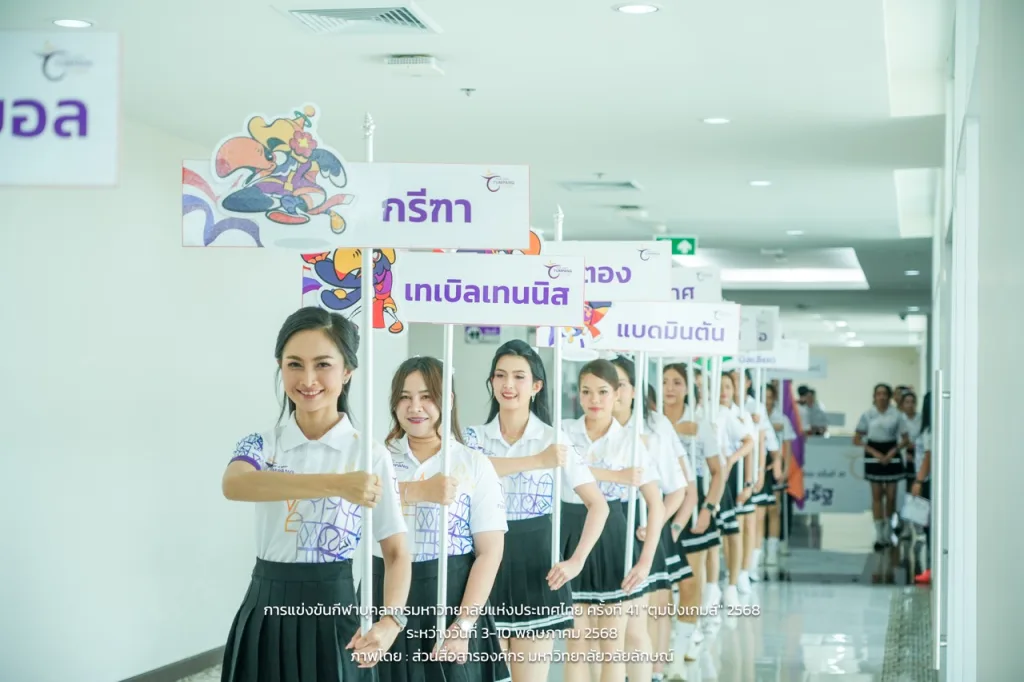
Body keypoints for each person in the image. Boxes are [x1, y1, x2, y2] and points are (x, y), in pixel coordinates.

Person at [220, 307, 412, 682]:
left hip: (335, 611)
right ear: (280, 367)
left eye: (323, 364)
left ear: (347, 371)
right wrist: (337, 484)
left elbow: (396, 551)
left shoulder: (370, 455)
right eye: (294, 364)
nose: (308, 379)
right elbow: (235, 484)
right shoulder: (261, 444)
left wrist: (391, 620)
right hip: (266, 608)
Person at [463, 340, 608, 682]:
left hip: (536, 565)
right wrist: (537, 461)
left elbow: (598, 506)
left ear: (536, 386)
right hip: (481, 563)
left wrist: (576, 561)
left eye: (519, 376)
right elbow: (473, 471)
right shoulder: (472, 438)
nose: (508, 384)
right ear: (491, 382)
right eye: (500, 375)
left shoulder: (554, 439)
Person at [371, 356, 510, 682]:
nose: (414, 407)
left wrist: (463, 625)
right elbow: (356, 504)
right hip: (386, 589)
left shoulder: (473, 463)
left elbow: (490, 552)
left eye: (426, 396)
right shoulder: (376, 458)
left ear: (447, 400)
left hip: (452, 593)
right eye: (404, 397)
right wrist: (416, 491)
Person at [561, 359, 664, 682]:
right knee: (576, 642)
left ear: (618, 394)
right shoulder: (563, 431)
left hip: (612, 535)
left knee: (611, 643)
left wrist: (645, 561)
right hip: (569, 531)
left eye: (603, 392)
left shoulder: (630, 441)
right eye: (586, 391)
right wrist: (616, 475)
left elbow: (656, 504)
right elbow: (555, 469)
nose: (594, 399)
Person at [608, 356, 695, 682]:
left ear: (634, 389)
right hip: (606, 526)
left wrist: (656, 525)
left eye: (620, 385)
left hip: (646, 522)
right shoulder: (591, 425)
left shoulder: (655, 426)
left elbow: (677, 489)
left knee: (652, 606)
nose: (613, 393)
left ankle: (655, 671)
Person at [661, 363, 727, 667]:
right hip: (662, 503)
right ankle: (665, 638)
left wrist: (708, 510)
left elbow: (718, 472)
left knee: (691, 580)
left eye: (677, 382)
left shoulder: (700, 424)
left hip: (696, 505)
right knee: (662, 582)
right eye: (665, 381)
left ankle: (686, 638)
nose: (670, 388)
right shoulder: (651, 421)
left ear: (689, 387)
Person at [715, 371, 755, 608]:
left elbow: (751, 446)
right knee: (717, 533)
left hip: (734, 475)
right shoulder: (706, 412)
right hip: (713, 474)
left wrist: (749, 481)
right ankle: (719, 580)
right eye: (719, 386)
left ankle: (738, 575)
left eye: (728, 386)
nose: (723, 391)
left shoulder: (740, 415)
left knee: (736, 528)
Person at [853, 383, 908, 551]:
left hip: (891, 451)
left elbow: (905, 439)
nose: (882, 397)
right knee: (877, 495)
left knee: (891, 495)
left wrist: (892, 453)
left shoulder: (897, 415)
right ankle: (878, 533)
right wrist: (874, 453)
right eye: (879, 394)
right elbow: (857, 438)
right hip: (873, 451)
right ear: (874, 396)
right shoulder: (868, 414)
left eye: (885, 394)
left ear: (889, 396)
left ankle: (888, 529)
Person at [761, 383, 794, 566]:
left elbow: (788, 445)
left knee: (774, 508)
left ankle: (772, 551)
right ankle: (760, 549)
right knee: (760, 511)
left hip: (776, 465)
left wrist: (786, 467)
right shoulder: (754, 415)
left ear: (774, 398)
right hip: (759, 465)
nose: (767, 401)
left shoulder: (782, 418)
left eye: (769, 397)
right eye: (764, 397)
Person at [910, 391, 933, 584]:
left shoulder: (931, 431)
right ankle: (929, 567)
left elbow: (928, 457)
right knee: (926, 525)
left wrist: (918, 481)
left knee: (928, 525)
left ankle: (930, 568)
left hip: (927, 480)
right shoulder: (928, 429)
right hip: (926, 479)